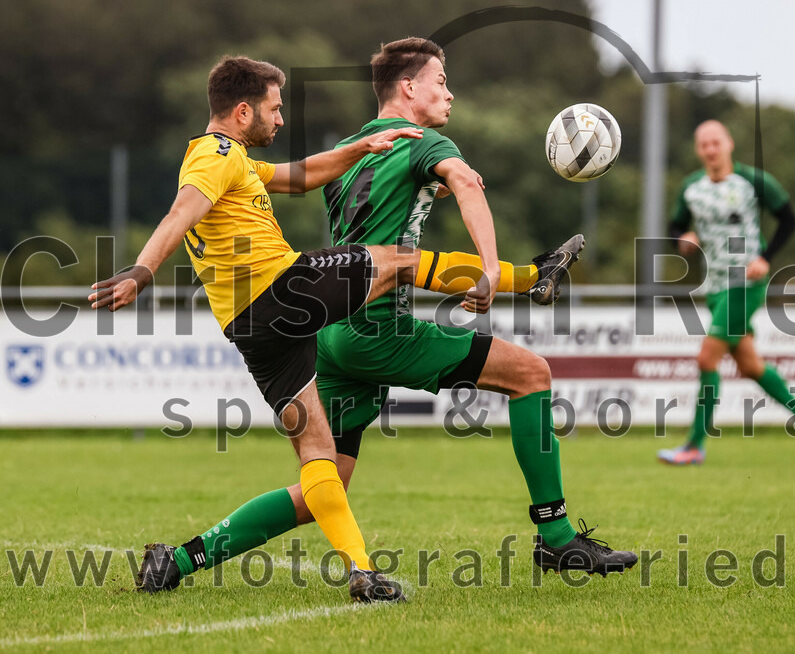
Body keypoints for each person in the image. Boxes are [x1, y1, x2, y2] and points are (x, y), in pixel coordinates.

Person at [131, 38, 638, 597]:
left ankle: (180, 559)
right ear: (410, 88)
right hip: (377, 329)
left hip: (327, 333)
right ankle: (557, 536)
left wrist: (419, 187)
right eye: (441, 79)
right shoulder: (423, 142)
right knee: (530, 374)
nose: (450, 91)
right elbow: (467, 182)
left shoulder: (359, 147)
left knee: (324, 481)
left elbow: (303, 177)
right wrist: (491, 268)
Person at [89, 55, 511, 602]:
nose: (281, 120)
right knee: (399, 260)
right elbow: (181, 212)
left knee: (319, 455)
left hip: (251, 328)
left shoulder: (236, 160)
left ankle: (357, 574)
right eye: (274, 108)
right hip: (281, 289)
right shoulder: (214, 155)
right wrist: (143, 270)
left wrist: (358, 148)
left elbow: (304, 175)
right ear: (243, 111)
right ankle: (520, 279)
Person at [656, 120, 795, 466]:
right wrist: (681, 238)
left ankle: (694, 446)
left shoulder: (754, 181)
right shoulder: (691, 187)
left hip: (745, 282)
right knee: (748, 365)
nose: (711, 150)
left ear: (729, 143)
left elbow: (789, 219)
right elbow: (675, 226)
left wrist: (765, 258)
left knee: (706, 359)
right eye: (704, 145)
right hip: (713, 285)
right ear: (698, 151)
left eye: (716, 142)